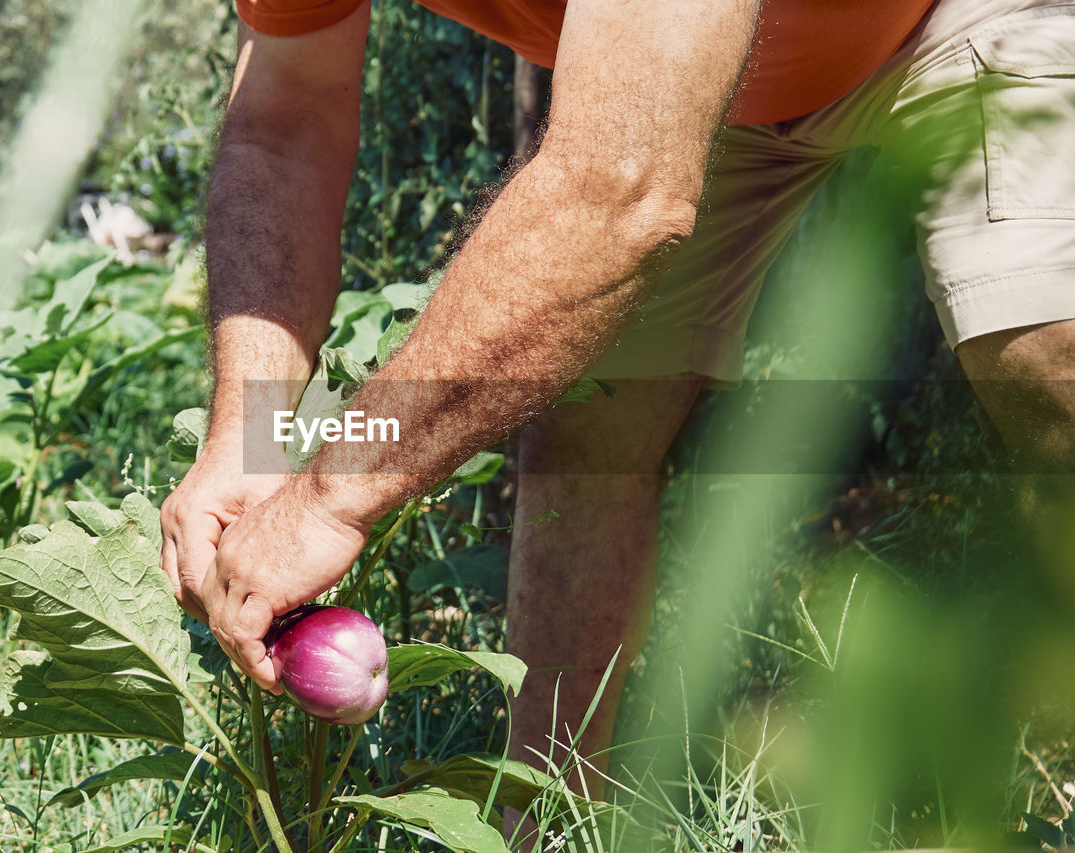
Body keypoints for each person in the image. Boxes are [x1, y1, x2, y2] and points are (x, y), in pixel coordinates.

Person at [158, 0, 1075, 795]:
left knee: (1051, 361)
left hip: (969, 14)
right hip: (696, 66)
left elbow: (622, 192)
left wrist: (331, 493)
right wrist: (255, 436)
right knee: (589, 419)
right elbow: (287, 115)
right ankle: (545, 817)